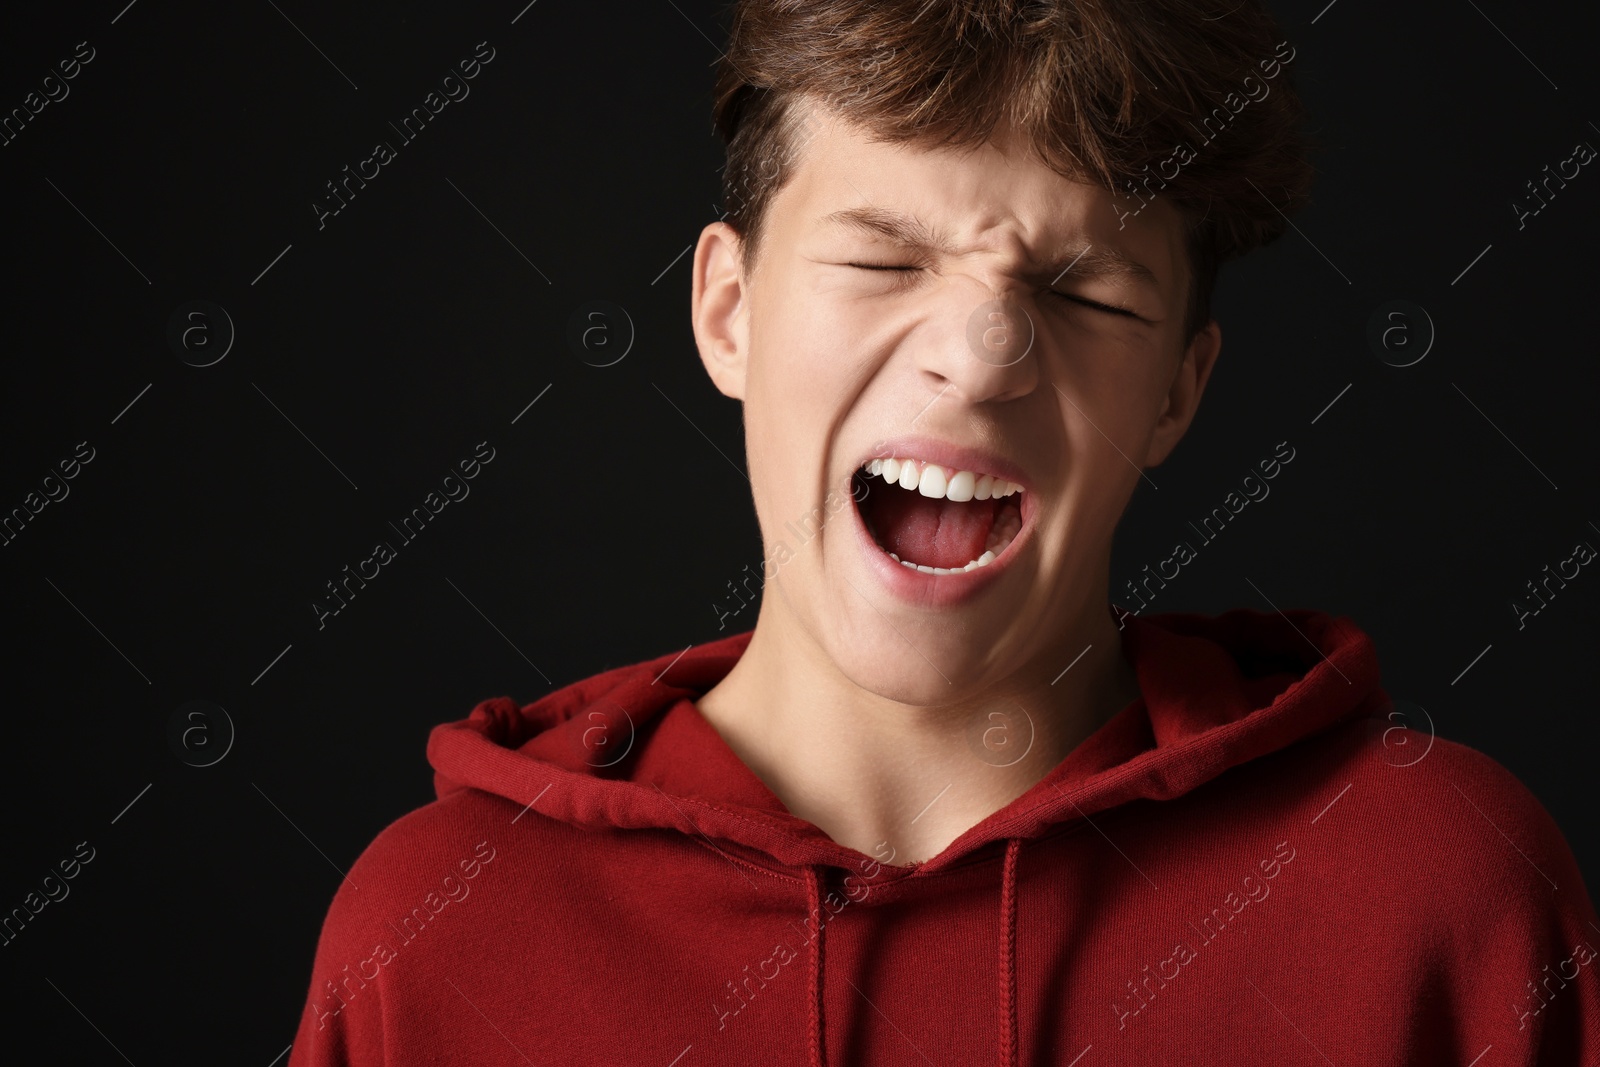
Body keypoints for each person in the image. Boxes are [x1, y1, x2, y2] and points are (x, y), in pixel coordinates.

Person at [289, 1, 1600, 1062]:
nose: (981, 360)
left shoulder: (1435, 900)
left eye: (1088, 292)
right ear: (727, 311)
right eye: (882, 260)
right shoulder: (440, 938)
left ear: (1178, 394)